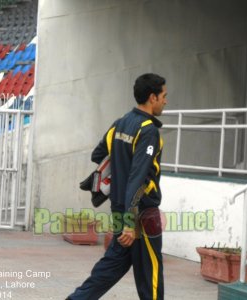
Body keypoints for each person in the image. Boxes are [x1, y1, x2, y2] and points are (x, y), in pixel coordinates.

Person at [66, 73, 168, 300]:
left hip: (120, 209)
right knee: (150, 275)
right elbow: (138, 178)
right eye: (164, 96)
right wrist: (132, 223)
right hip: (141, 215)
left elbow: (98, 154)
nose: (165, 101)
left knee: (111, 267)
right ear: (152, 97)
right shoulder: (148, 130)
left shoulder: (121, 123)